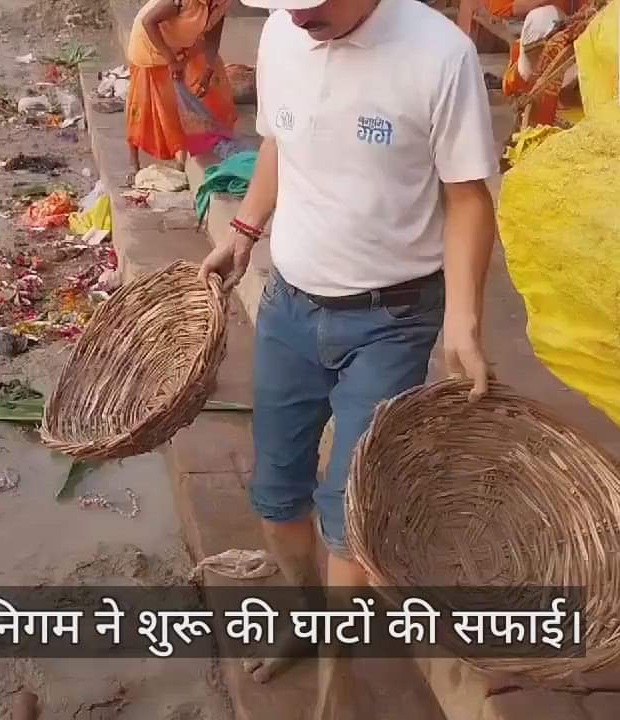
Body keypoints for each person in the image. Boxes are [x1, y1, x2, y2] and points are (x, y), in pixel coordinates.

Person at [198, 0, 498, 683]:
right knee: (276, 495)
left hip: (391, 319)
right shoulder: (280, 32)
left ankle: (338, 671)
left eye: (316, 4)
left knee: (349, 511)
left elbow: (468, 197)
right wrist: (243, 231)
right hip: (289, 308)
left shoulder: (438, 53)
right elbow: (279, 142)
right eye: (291, 5)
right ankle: (309, 617)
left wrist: (464, 319)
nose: (301, 18)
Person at [125, 0, 239, 177]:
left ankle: (193, 149)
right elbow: (148, 22)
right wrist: (171, 61)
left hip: (185, 44)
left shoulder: (222, 3)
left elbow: (213, 34)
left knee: (214, 88)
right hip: (152, 44)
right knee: (150, 104)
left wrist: (208, 71)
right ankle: (134, 162)